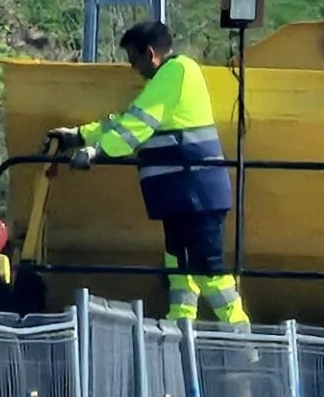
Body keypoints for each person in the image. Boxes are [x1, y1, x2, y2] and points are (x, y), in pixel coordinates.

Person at [49, 20, 250, 325]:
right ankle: (179, 336)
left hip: (195, 194)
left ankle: (244, 348)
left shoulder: (177, 71)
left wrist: (98, 151)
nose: (133, 67)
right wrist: (79, 136)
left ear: (151, 53)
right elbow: (130, 118)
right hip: (182, 196)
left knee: (209, 272)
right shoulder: (168, 79)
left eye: (134, 58)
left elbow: (138, 123)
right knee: (181, 273)